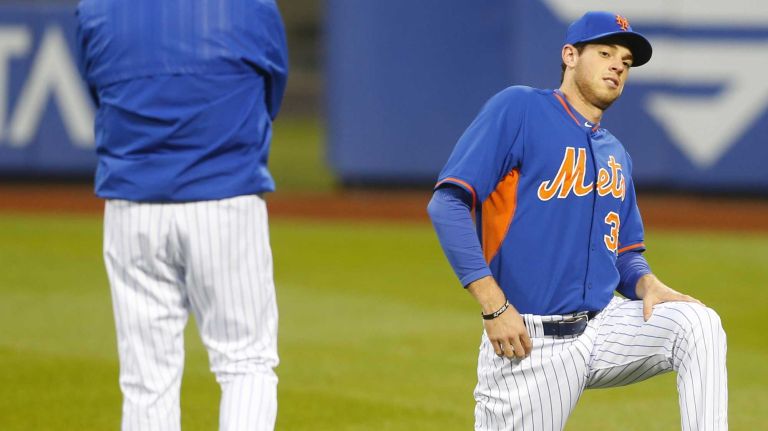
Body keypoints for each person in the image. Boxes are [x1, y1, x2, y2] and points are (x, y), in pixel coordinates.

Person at [427, 11, 727, 431]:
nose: (617, 65)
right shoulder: (521, 109)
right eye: (605, 52)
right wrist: (494, 308)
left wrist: (646, 283)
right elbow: (448, 204)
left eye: (625, 60)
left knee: (697, 324)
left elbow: (624, 253)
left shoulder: (616, 154)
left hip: (603, 328)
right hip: (530, 341)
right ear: (570, 55)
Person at [76, 1, 287, 430]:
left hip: (132, 208)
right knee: (245, 360)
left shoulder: (97, 8)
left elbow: (97, 92)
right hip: (226, 200)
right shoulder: (249, 6)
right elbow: (272, 94)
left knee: (146, 378)